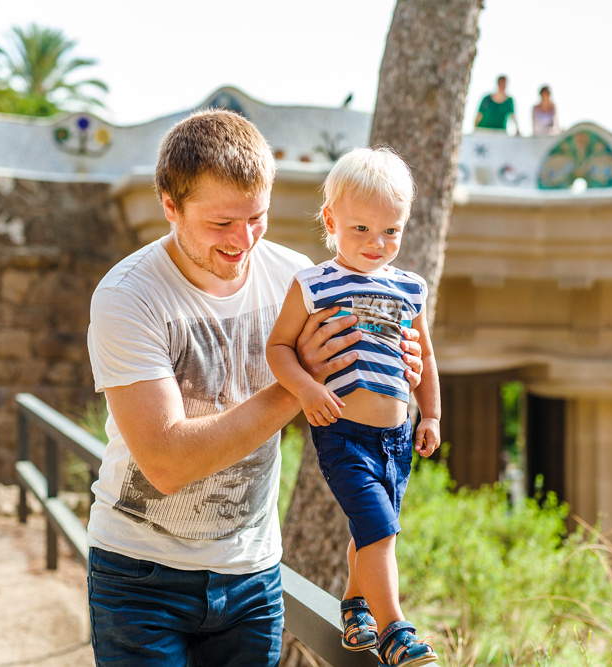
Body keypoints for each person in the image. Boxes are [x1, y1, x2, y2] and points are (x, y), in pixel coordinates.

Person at [85, 109, 423, 665]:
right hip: (139, 577)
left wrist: (394, 362)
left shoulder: (296, 276)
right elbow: (165, 462)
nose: (243, 241)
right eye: (222, 224)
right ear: (169, 206)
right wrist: (303, 382)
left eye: (257, 218)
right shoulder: (128, 296)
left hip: (253, 573)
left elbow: (363, 370)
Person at [266, 146, 441, 666]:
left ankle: (355, 605)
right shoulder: (315, 284)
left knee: (372, 528)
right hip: (343, 432)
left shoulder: (410, 287)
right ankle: (394, 630)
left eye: (391, 231)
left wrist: (429, 414)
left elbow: (425, 357)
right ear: (330, 221)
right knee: (380, 528)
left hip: (397, 437)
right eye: (361, 229)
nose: (377, 243)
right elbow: (278, 348)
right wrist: (305, 389)